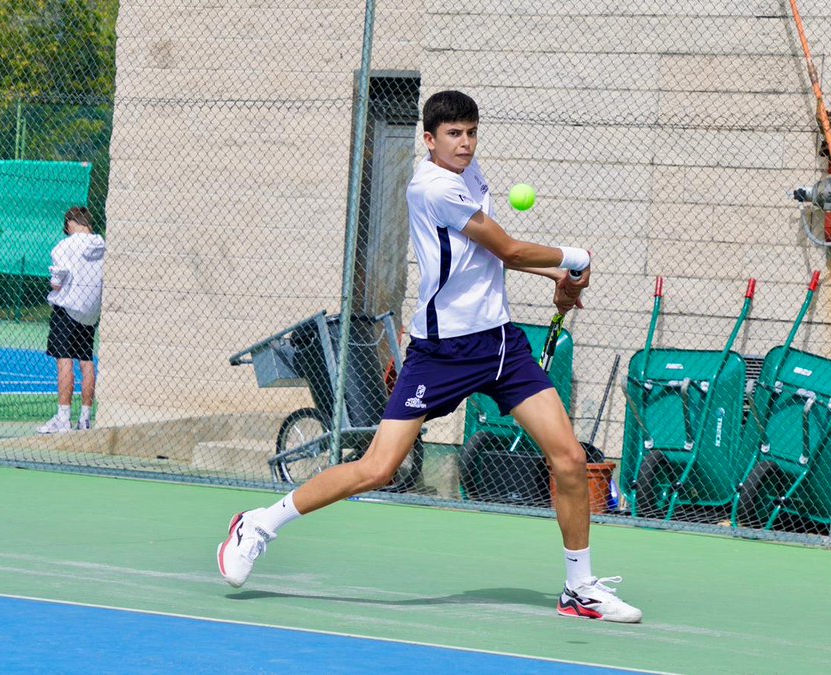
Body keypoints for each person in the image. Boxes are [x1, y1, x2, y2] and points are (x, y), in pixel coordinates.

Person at [218, 90, 642, 623]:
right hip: (442, 353)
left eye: (471, 133)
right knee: (378, 467)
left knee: (570, 460)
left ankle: (579, 589)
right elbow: (508, 248)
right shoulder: (433, 186)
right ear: (429, 139)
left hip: (501, 345)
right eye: (453, 135)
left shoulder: (468, 172)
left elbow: (485, 255)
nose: (465, 144)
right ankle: (259, 523)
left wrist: (556, 275)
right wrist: (575, 258)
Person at [38, 206, 106, 434]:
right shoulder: (102, 245)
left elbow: (57, 284)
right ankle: (85, 419)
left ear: (70, 223)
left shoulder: (64, 247)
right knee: (86, 360)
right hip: (90, 313)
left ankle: (63, 418)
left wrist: (54, 284)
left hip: (67, 310)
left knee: (64, 360)